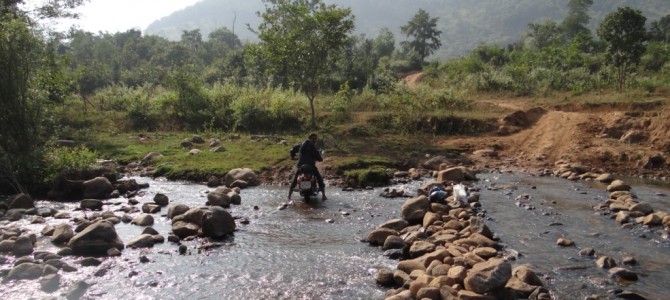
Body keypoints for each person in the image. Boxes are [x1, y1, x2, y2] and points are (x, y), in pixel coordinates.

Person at [288, 133, 327, 201]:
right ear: (310, 138)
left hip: (301, 166)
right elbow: (319, 158)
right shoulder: (312, 147)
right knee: (319, 178)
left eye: (315, 139)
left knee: (295, 179)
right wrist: (319, 158)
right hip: (310, 166)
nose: (314, 140)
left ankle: (289, 196)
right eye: (313, 138)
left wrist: (292, 157)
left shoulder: (301, 145)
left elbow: (292, 150)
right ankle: (323, 195)